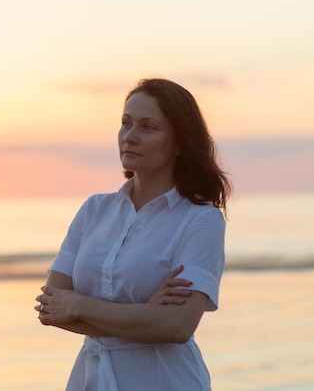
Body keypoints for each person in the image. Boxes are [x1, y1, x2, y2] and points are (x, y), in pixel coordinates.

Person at [35, 78, 231, 391]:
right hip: (92, 379)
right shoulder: (94, 210)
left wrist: (80, 305)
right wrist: (145, 315)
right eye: (126, 123)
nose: (130, 137)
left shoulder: (201, 220)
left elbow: (177, 326)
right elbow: (50, 308)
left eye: (148, 127)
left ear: (180, 142)